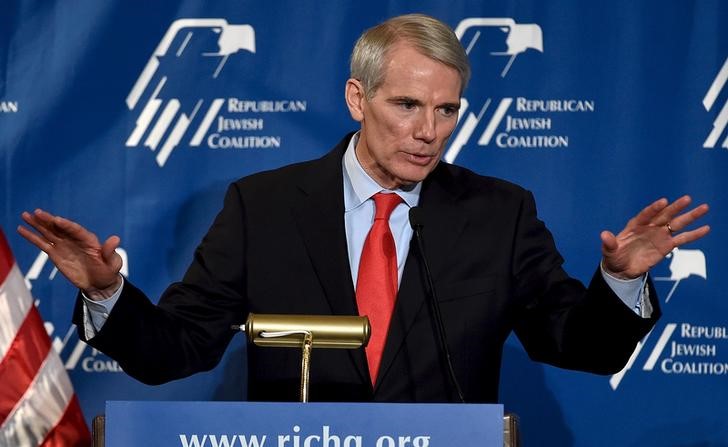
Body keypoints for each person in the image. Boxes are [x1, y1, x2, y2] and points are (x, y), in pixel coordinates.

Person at [18, 14, 709, 403]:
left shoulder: (498, 214)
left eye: (446, 111)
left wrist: (621, 281)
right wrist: (108, 291)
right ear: (357, 99)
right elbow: (177, 350)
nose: (428, 130)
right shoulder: (263, 207)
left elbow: (576, 343)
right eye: (407, 105)